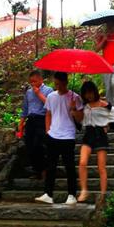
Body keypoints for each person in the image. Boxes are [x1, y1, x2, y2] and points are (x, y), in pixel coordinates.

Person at [35, 72, 83, 205]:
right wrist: (48, 131)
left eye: (59, 84)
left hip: (68, 135)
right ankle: (48, 194)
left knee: (69, 167)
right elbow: (48, 114)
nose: (57, 86)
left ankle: (72, 195)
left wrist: (73, 109)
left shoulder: (75, 97)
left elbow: (81, 118)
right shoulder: (51, 96)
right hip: (53, 135)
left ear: (66, 82)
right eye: (55, 83)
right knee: (51, 166)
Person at [77, 81, 114, 204]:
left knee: (101, 167)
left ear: (94, 92)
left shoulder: (104, 104)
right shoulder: (84, 106)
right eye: (86, 93)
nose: (89, 96)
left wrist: (109, 125)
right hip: (88, 134)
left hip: (100, 135)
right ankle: (84, 190)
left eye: (90, 92)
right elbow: (80, 120)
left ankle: (103, 194)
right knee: (82, 162)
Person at [17, 70, 53, 179]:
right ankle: (37, 170)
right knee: (29, 146)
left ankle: (44, 169)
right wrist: (21, 123)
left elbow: (50, 104)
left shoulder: (48, 90)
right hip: (30, 120)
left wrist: (38, 93)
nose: (32, 84)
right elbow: (25, 109)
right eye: (31, 82)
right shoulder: (28, 92)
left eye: (35, 81)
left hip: (42, 119)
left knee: (39, 145)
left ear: (41, 80)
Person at [94, 20, 114, 108]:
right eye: (109, 25)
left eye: (112, 25)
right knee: (108, 87)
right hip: (106, 66)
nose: (110, 27)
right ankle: (110, 106)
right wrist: (103, 40)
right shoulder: (103, 38)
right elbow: (96, 49)